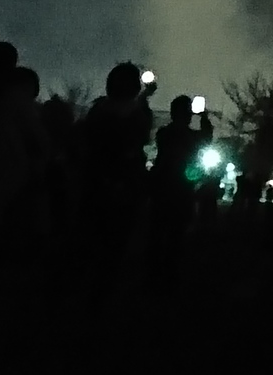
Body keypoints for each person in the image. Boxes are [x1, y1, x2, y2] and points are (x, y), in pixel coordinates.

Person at [77, 63, 154, 283]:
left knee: (93, 238)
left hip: (97, 180)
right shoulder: (138, 114)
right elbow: (140, 139)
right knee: (114, 241)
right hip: (122, 183)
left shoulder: (98, 109)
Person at [146, 95, 207, 287]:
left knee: (158, 231)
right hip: (181, 188)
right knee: (176, 234)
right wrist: (204, 117)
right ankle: (169, 271)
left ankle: (154, 270)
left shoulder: (164, 133)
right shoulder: (191, 137)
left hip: (163, 186)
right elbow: (206, 138)